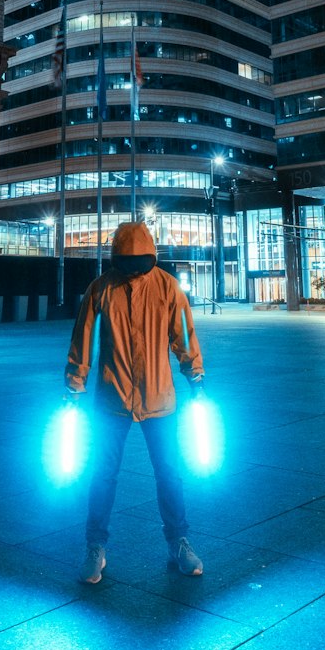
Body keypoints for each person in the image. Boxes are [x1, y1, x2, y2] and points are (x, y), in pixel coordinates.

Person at [65, 220, 205, 584]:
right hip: (112, 398)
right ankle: (95, 547)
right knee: (103, 474)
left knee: (169, 473)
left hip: (158, 396)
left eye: (138, 261)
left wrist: (195, 375)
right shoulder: (101, 289)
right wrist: (74, 382)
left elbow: (184, 336)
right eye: (125, 262)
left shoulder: (166, 287)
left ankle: (179, 542)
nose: (132, 269)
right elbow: (83, 338)